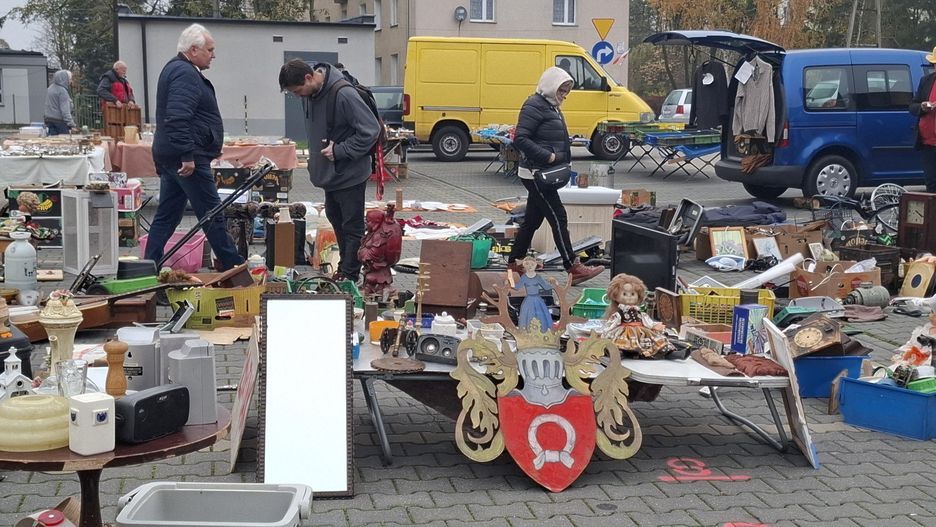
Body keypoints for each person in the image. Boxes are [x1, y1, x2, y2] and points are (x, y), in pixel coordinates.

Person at [144, 23, 244, 271]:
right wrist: (187, 155)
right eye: (210, 49)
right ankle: (235, 268)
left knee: (167, 216)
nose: (214, 54)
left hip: (172, 155)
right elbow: (178, 117)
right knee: (212, 215)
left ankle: (146, 267)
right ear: (193, 50)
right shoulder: (185, 73)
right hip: (187, 158)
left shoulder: (176, 69)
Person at [278, 59, 380, 282]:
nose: (298, 96)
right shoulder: (311, 94)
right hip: (331, 175)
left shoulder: (343, 94)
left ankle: (350, 275)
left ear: (309, 77)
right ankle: (345, 268)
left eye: (298, 91)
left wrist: (341, 150)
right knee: (335, 218)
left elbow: (371, 130)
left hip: (350, 173)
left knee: (351, 226)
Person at [506, 66, 604, 285]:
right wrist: (548, 157)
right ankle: (572, 266)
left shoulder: (551, 106)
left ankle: (514, 263)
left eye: (567, 91)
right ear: (550, 87)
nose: (564, 95)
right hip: (536, 174)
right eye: (561, 90)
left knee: (532, 221)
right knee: (558, 216)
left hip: (543, 173)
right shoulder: (534, 104)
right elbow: (520, 138)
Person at [911, 47, 936, 192]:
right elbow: (912, 106)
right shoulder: (926, 81)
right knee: (931, 183)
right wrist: (922, 106)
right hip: (928, 142)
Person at [44, 70, 76, 136]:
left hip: (49, 120)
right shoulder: (62, 91)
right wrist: (72, 124)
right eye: (69, 79)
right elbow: (65, 110)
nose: (70, 81)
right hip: (60, 122)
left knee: (53, 142)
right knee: (64, 142)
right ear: (64, 79)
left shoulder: (50, 88)